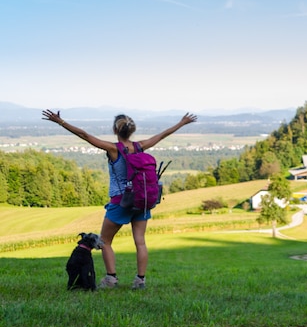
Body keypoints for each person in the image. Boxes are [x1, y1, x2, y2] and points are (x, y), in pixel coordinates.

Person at [42, 110, 197, 290]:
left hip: (120, 202)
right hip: (142, 200)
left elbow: (84, 135)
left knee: (105, 241)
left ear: (116, 131)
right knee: (140, 241)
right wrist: (182, 122)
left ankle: (111, 278)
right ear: (132, 131)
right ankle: (140, 281)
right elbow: (162, 135)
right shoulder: (141, 146)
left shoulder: (113, 149)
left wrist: (60, 122)